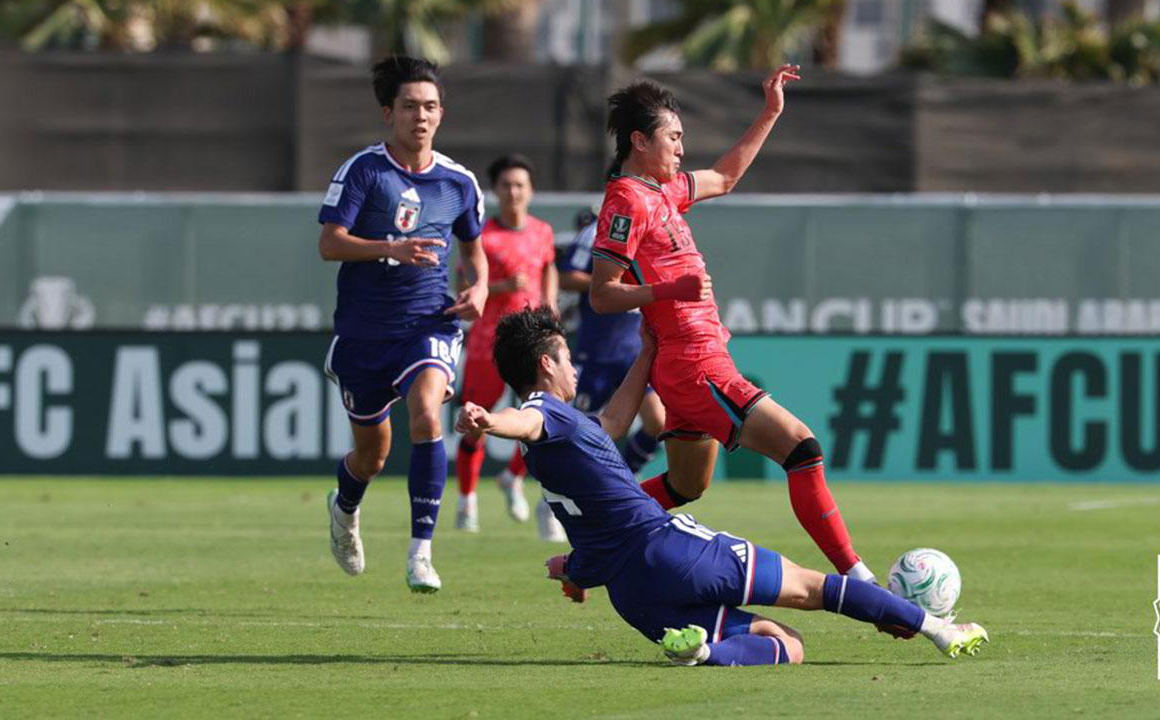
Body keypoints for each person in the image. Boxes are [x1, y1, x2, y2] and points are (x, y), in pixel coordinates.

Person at [455, 308, 989, 666]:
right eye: (567, 358)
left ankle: (705, 653)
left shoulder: (567, 435)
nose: (573, 368)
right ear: (546, 365)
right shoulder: (542, 413)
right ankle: (940, 630)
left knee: (788, 647)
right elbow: (524, 420)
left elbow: (615, 422)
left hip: (634, 596)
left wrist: (647, 350)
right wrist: (488, 422)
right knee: (813, 589)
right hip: (673, 552)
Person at [588, 66, 881, 588]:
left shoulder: (661, 193)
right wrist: (667, 292)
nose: (681, 148)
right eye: (673, 137)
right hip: (694, 363)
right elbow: (601, 293)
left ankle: (589, 543)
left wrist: (769, 112)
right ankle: (856, 576)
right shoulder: (626, 201)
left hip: (691, 360)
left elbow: (723, 178)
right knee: (802, 447)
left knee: (684, 486)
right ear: (640, 139)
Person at [318, 56, 488, 594]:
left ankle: (421, 553)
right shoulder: (364, 170)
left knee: (427, 418)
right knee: (373, 456)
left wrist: (479, 289)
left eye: (431, 106)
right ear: (388, 112)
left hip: (427, 323)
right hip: (366, 332)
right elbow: (329, 243)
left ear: (442, 114)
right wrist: (390, 247)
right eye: (410, 106)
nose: (421, 116)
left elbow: (474, 251)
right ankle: (344, 508)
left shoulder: (459, 181)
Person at [453, 153, 561, 539]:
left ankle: (513, 477)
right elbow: (461, 287)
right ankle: (466, 501)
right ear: (495, 191)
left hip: (531, 345)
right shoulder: (481, 235)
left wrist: (552, 309)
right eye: (506, 185)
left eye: (520, 185)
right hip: (487, 344)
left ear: (530, 191)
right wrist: (500, 287)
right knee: (474, 423)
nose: (513, 192)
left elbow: (548, 267)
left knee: (541, 419)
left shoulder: (542, 231)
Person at [559, 205, 666, 474]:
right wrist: (609, 283)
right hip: (598, 351)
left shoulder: (651, 230)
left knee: (658, 422)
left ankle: (628, 481)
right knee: (581, 433)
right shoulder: (596, 230)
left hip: (634, 352)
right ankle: (556, 500)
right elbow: (567, 276)